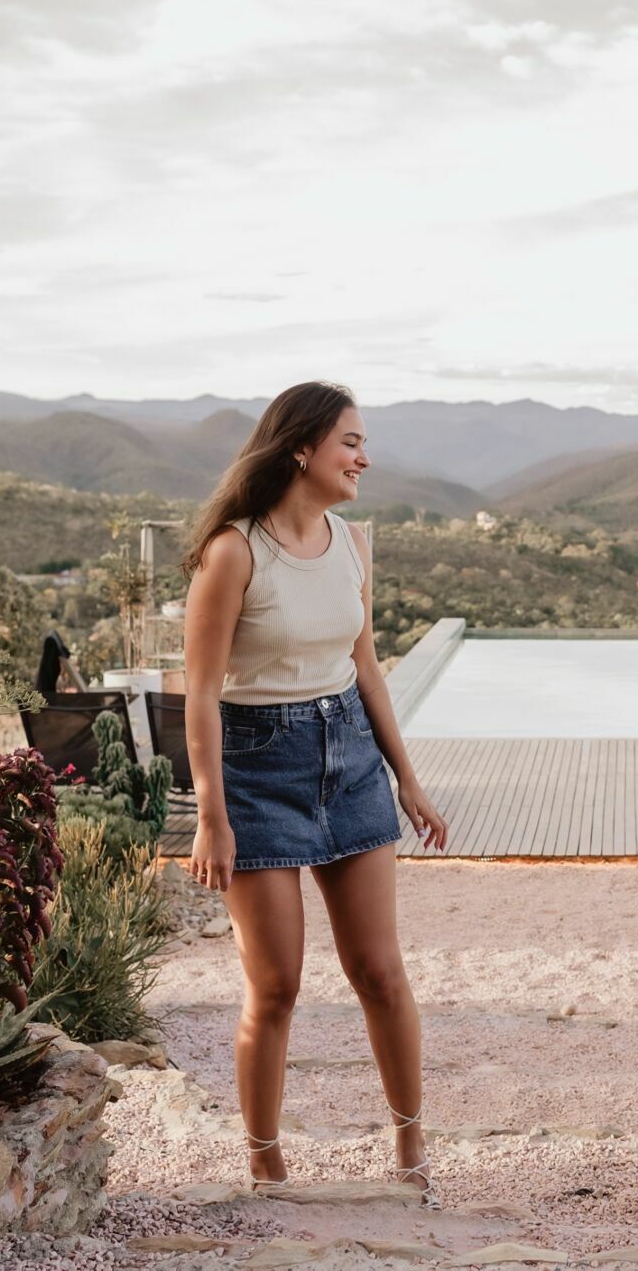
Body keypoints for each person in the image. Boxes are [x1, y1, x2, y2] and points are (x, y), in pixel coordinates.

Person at [180, 380, 450, 1205]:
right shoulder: (235, 551)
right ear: (302, 448)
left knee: (380, 970)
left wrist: (407, 777)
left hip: (351, 759)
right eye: (351, 443)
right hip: (259, 767)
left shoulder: (352, 542)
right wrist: (211, 818)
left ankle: (410, 1146)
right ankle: (264, 1159)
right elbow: (198, 694)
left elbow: (367, 665)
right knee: (277, 984)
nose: (364, 458)